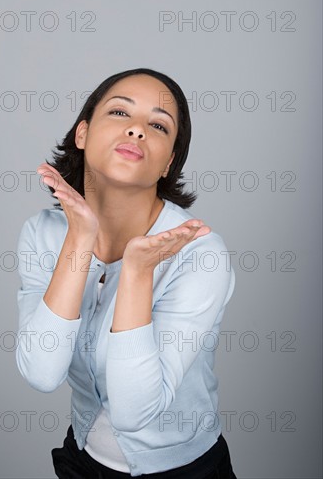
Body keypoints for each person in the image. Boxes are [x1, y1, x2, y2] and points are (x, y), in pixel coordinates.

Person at [15, 67, 238, 478]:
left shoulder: (200, 254)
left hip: (184, 471)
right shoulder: (43, 234)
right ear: (82, 134)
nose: (137, 131)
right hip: (83, 461)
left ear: (169, 162)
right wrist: (79, 241)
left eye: (157, 124)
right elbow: (41, 373)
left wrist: (138, 272)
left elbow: (137, 410)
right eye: (120, 113)